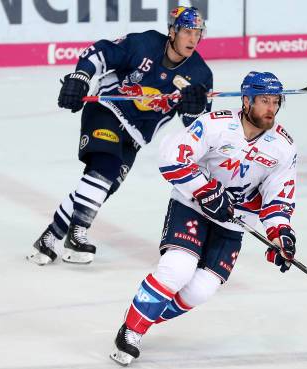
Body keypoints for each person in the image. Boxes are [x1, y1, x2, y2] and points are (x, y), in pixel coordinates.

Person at [109, 71, 298, 366]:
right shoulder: (216, 124)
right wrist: (206, 190)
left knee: (201, 290)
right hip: (192, 205)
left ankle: (142, 318)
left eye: (275, 102)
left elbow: (278, 199)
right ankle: (132, 330)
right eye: (264, 101)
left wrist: (280, 235)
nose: (271, 108)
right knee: (177, 269)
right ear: (246, 100)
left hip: (233, 221)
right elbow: (172, 156)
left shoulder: (283, 147)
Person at [27, 7, 213, 266]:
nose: (193, 39)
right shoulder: (145, 43)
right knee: (105, 168)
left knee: (102, 185)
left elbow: (198, 129)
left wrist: (196, 108)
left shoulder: (201, 74)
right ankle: (77, 233)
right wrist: (81, 76)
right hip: (107, 110)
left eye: (197, 33)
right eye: (187, 32)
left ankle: (51, 236)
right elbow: (101, 52)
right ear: (172, 31)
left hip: (137, 135)